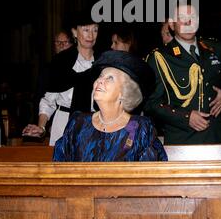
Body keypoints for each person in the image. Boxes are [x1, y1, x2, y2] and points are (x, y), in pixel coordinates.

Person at [144, 1, 221, 145]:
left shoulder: (214, 48)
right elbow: (152, 103)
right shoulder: (159, 57)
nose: (188, 23)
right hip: (185, 140)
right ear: (171, 24)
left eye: (192, 17)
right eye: (182, 18)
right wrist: (185, 117)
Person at [53, 50, 168, 161]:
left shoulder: (139, 128)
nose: (100, 81)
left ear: (124, 92)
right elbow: (59, 167)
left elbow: (149, 173)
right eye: (100, 76)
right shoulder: (78, 123)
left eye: (110, 78)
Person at [22, 10, 99, 145]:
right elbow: (48, 101)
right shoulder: (61, 61)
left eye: (95, 30)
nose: (91, 35)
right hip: (63, 123)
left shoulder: (103, 62)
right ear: (75, 32)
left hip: (93, 124)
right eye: (86, 29)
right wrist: (42, 127)